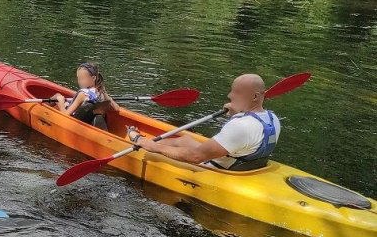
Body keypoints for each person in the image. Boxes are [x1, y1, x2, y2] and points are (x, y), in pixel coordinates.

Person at [128, 74, 280, 171]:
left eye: (237, 92)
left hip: (216, 169)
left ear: (254, 97)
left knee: (153, 149)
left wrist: (152, 146)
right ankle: (147, 142)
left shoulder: (241, 126)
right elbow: (248, 137)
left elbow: (195, 157)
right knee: (185, 139)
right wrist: (238, 112)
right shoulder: (272, 118)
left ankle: (142, 142)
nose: (230, 95)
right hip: (247, 166)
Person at [50, 62, 119, 129]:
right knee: (61, 98)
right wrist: (108, 97)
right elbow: (116, 108)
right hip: (88, 119)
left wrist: (61, 102)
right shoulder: (101, 92)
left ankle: (43, 110)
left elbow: (65, 115)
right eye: (79, 78)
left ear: (93, 78)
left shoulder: (82, 94)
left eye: (82, 78)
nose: (79, 81)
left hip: (73, 121)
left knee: (57, 96)